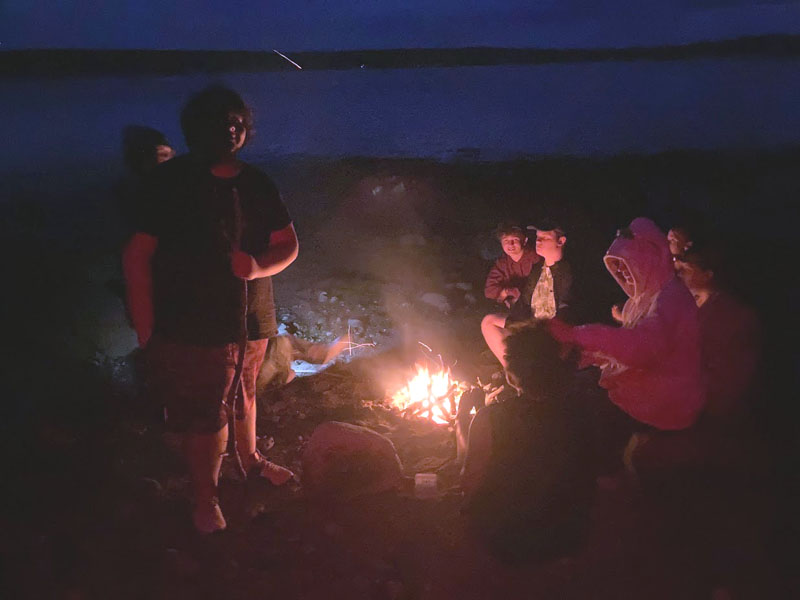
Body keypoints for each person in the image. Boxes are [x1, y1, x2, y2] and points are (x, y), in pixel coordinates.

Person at [123, 85, 297, 533]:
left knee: (246, 392)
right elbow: (138, 255)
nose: (230, 131)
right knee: (207, 411)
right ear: (195, 129)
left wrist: (258, 268)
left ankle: (252, 459)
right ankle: (206, 499)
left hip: (253, 313)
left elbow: (288, 245)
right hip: (193, 319)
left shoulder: (256, 182)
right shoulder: (169, 182)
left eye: (238, 123)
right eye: (219, 124)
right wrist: (145, 327)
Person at [550, 217, 705, 432]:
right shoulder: (639, 301)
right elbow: (622, 349)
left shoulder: (671, 297)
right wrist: (578, 355)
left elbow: (642, 348)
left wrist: (576, 335)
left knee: (568, 416)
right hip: (644, 395)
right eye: (617, 267)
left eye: (626, 264)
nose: (621, 272)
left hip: (665, 407)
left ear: (648, 258)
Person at [461, 324, 595, 562]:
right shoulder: (585, 412)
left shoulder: (490, 418)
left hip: (509, 539)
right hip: (570, 535)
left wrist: (463, 421)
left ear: (512, 375)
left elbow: (470, 480)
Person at [481, 221, 572, 369]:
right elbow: (525, 300)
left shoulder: (565, 272)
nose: (539, 241)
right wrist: (517, 323)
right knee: (489, 322)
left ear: (560, 242)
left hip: (549, 329)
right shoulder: (538, 269)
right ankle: (514, 372)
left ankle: (528, 374)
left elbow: (567, 309)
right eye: (538, 237)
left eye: (545, 238)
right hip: (531, 321)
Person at [483, 223, 540, 308]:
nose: (510, 244)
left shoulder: (534, 258)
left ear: (524, 241)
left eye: (515, 239)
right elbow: (489, 291)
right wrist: (507, 292)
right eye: (506, 240)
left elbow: (536, 288)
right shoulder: (502, 263)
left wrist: (506, 293)